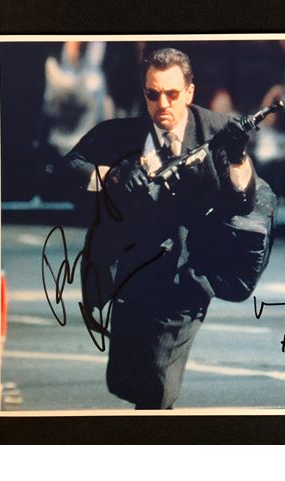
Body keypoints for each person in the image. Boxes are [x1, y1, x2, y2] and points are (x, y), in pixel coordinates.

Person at [65, 47, 264, 410]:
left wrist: (237, 158)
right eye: (153, 94)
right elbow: (68, 167)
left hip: (187, 276)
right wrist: (113, 175)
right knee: (127, 379)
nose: (163, 104)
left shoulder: (218, 130)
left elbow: (244, 201)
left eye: (172, 94)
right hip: (131, 274)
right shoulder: (123, 133)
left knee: (157, 383)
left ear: (189, 92)